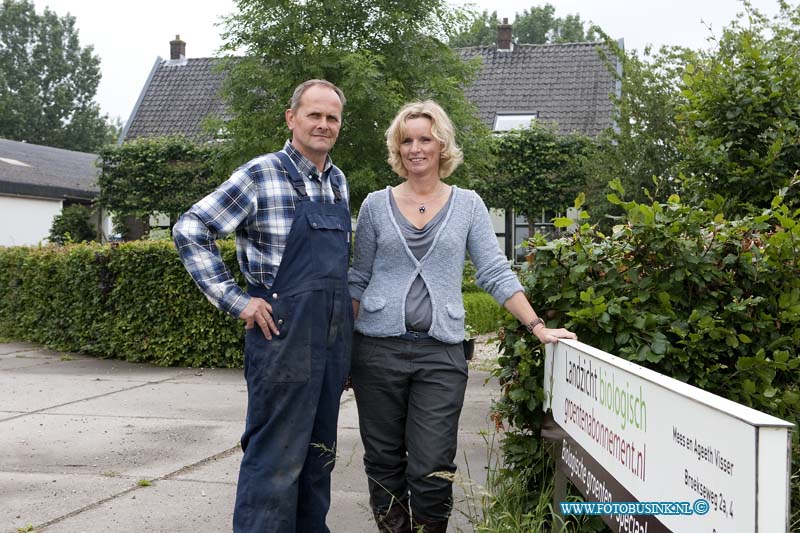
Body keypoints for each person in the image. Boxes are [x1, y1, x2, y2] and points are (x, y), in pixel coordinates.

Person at [348, 100, 576, 533]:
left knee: (433, 463)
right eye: (407, 140)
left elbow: (493, 271)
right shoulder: (376, 205)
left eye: (425, 139)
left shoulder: (468, 205)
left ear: (442, 145)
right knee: (383, 460)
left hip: (441, 356)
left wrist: (538, 327)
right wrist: (342, 346)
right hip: (376, 352)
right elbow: (358, 278)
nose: (416, 148)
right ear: (398, 149)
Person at [173, 79, 352, 532]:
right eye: (314, 114)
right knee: (274, 461)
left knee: (318, 458)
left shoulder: (337, 181)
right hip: (281, 343)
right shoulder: (261, 174)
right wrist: (237, 300)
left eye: (332, 117)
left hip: (329, 346)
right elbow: (191, 228)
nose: (323, 124)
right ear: (291, 119)